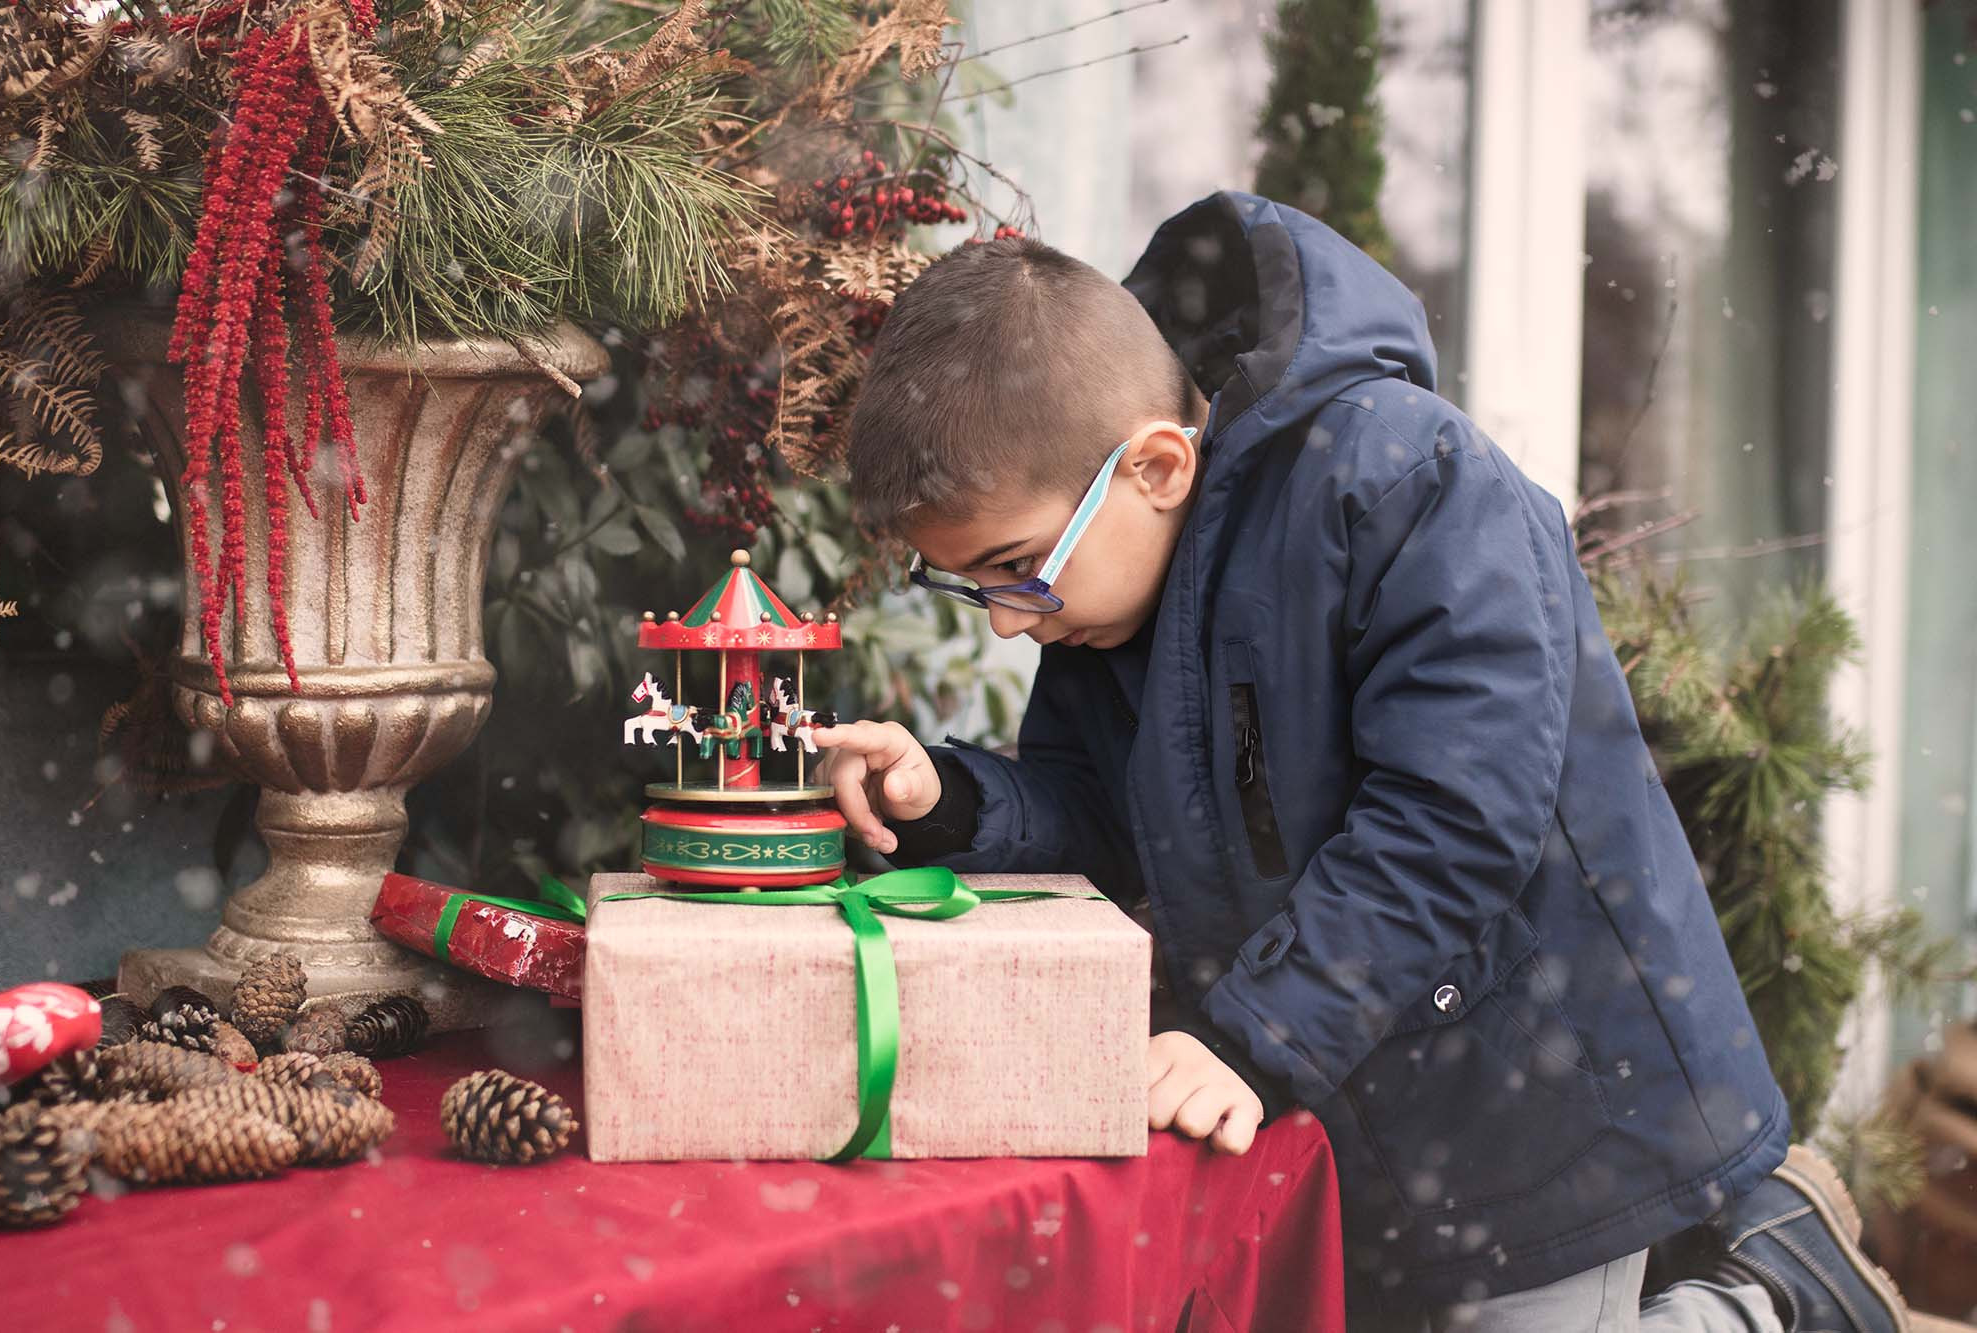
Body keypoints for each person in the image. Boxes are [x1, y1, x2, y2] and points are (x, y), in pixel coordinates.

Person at [809, 192, 1908, 1332]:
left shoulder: (1403, 480)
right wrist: (952, 798)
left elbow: (1453, 817)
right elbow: (1100, 806)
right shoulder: (1100, 601)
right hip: (1352, 1091)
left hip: (1541, 1096)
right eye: (968, 584)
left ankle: (1775, 1297)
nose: (1001, 619)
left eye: (1013, 566)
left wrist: (1249, 1035)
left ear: (1152, 468)